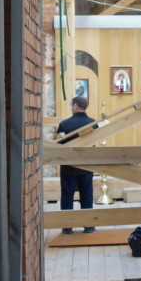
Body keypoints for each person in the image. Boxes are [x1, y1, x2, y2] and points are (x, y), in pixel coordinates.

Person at [56, 96, 97, 234]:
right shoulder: (93, 124)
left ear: (75, 106)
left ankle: (67, 227)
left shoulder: (64, 124)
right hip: (87, 166)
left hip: (68, 167)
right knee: (87, 195)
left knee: (67, 196)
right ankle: (88, 226)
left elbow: (58, 145)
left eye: (71, 106)